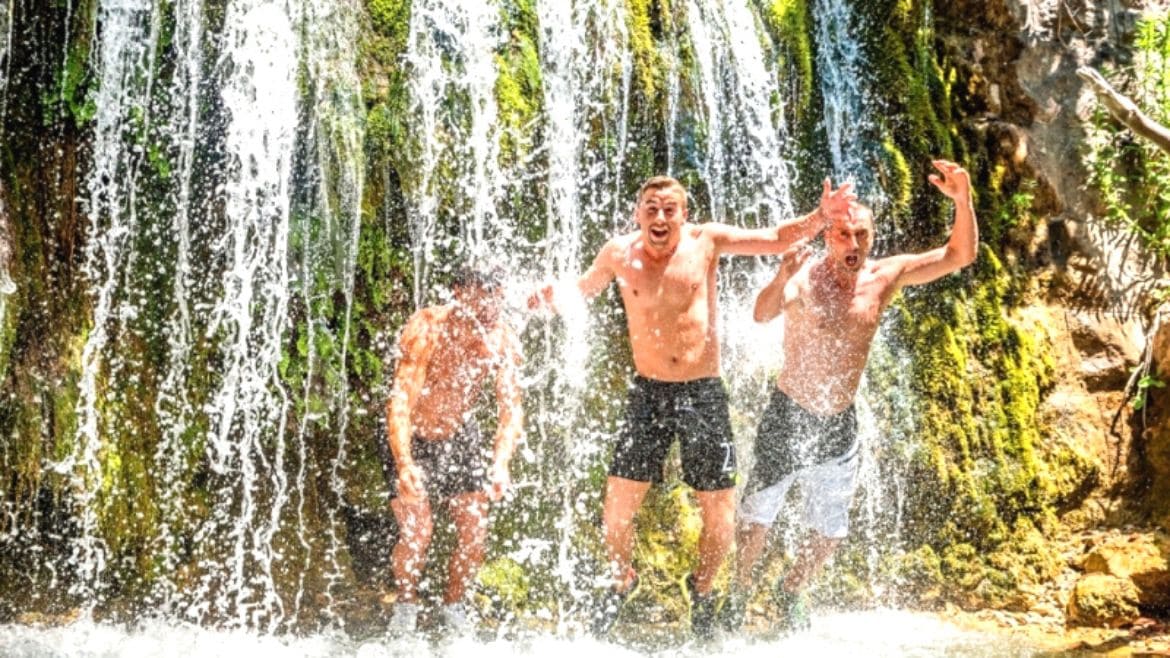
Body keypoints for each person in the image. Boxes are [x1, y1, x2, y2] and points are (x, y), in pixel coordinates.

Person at [530, 176, 856, 638]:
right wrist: (549, 299)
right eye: (651, 208)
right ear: (637, 214)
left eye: (670, 209)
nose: (660, 217)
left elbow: (775, 237)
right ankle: (622, 579)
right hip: (648, 394)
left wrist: (821, 217)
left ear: (684, 215)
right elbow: (582, 290)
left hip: (703, 393)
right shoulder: (617, 254)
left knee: (720, 514)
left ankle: (702, 589)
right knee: (616, 511)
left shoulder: (707, 242)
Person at [728, 160, 976, 632]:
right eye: (844, 234)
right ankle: (738, 593)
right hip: (789, 412)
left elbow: (958, 255)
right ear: (828, 236)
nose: (854, 244)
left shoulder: (884, 277)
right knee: (756, 519)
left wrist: (962, 201)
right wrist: (780, 278)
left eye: (861, 234)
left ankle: (790, 591)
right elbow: (761, 314)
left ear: (872, 237)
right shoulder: (804, 277)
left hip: (839, 421)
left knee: (829, 531)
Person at [383, 266, 523, 635]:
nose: (491, 308)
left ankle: (454, 605)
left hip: (460, 435)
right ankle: (406, 605)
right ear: (459, 292)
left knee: (474, 532)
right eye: (483, 297)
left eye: (497, 299)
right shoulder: (428, 327)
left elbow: (511, 409)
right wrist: (404, 463)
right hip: (413, 437)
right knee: (418, 533)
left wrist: (501, 463)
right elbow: (401, 400)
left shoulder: (501, 338)